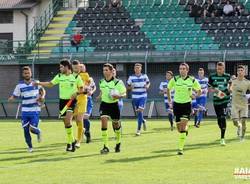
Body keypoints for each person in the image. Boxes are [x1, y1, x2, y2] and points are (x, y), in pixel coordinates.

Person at [34, 59, 84, 152]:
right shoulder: (59, 76)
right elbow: (50, 84)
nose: (60, 68)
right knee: (66, 123)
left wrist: (76, 93)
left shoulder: (76, 77)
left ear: (66, 67)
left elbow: (82, 89)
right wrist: (39, 83)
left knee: (68, 120)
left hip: (71, 102)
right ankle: (71, 141)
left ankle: (70, 143)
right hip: (62, 102)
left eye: (61, 67)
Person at [8, 66, 45, 153]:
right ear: (23, 74)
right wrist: (11, 98)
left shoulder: (36, 82)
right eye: (25, 73)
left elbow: (43, 91)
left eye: (28, 73)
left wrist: (42, 97)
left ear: (31, 73)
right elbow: (15, 95)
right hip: (25, 110)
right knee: (25, 129)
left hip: (35, 109)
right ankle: (30, 147)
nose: (27, 74)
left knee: (32, 128)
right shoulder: (19, 85)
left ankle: (38, 132)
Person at [167, 63, 201, 155]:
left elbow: (199, 90)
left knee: (182, 126)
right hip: (176, 105)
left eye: (183, 69)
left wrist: (195, 96)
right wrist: (170, 101)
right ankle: (186, 129)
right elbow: (168, 89)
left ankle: (180, 149)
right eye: (180, 69)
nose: (181, 70)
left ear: (187, 70)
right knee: (179, 128)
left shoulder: (192, 80)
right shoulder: (175, 79)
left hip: (186, 105)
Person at [98, 63, 126, 154]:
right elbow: (102, 91)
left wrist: (118, 96)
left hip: (114, 105)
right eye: (103, 70)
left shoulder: (118, 82)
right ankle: (105, 146)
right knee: (103, 122)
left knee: (116, 124)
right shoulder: (101, 81)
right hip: (104, 104)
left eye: (106, 70)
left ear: (111, 71)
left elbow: (124, 94)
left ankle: (118, 143)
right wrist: (99, 96)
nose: (104, 72)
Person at [208, 62, 231, 146]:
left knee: (223, 117)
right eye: (218, 69)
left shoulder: (227, 76)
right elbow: (209, 89)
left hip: (225, 101)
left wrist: (228, 90)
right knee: (219, 119)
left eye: (221, 69)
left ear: (224, 68)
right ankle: (222, 129)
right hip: (216, 101)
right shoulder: (212, 76)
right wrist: (217, 91)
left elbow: (231, 86)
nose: (219, 70)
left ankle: (222, 138)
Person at [127, 63, 150, 136]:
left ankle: (138, 130)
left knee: (140, 110)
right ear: (134, 69)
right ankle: (143, 120)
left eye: (138, 68)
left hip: (143, 95)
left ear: (141, 69)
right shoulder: (131, 77)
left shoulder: (144, 76)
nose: (137, 69)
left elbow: (149, 83)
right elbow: (128, 87)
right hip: (135, 96)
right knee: (139, 113)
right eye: (136, 68)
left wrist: (147, 86)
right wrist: (131, 87)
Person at [72, 60, 89, 148]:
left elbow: (87, 87)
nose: (76, 69)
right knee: (76, 120)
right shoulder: (70, 76)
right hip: (74, 100)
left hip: (82, 99)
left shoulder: (85, 75)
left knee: (79, 119)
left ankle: (78, 141)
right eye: (74, 67)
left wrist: (87, 89)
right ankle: (82, 130)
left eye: (78, 67)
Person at [230, 65, 250, 141]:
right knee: (235, 122)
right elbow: (230, 89)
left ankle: (242, 137)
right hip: (235, 104)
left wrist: (247, 95)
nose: (240, 72)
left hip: (244, 104)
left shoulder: (247, 82)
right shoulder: (233, 81)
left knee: (244, 121)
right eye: (239, 71)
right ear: (237, 72)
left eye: (242, 70)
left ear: (244, 72)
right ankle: (238, 126)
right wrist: (230, 90)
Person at [84, 76, 96, 143]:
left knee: (86, 117)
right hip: (79, 100)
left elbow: (94, 87)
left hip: (88, 100)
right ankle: (85, 132)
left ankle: (88, 133)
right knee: (80, 120)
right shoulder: (76, 78)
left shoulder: (89, 78)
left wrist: (91, 91)